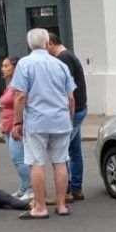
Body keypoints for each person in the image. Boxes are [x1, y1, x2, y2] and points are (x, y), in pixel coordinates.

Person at [12, 28, 77, 220]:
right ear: (48, 42)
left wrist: (17, 121)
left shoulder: (25, 64)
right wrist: (70, 119)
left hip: (37, 121)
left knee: (36, 162)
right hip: (60, 120)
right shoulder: (60, 65)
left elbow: (20, 95)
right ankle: (62, 205)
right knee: (60, 162)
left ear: (29, 44)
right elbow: (71, 98)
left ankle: (40, 207)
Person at [47, 32, 88, 202]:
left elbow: (67, 89)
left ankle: (67, 191)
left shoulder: (63, 59)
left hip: (73, 110)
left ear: (50, 43)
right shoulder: (69, 55)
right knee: (74, 150)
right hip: (80, 107)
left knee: (61, 151)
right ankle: (76, 188)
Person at [0, 56, 32, 201]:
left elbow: (21, 102)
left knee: (18, 159)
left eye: (6, 66)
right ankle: (23, 188)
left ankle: (31, 189)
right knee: (18, 159)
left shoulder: (18, 84)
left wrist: (16, 125)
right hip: (7, 126)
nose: (3, 69)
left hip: (15, 126)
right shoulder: (10, 84)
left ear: (15, 67)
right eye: (2, 66)